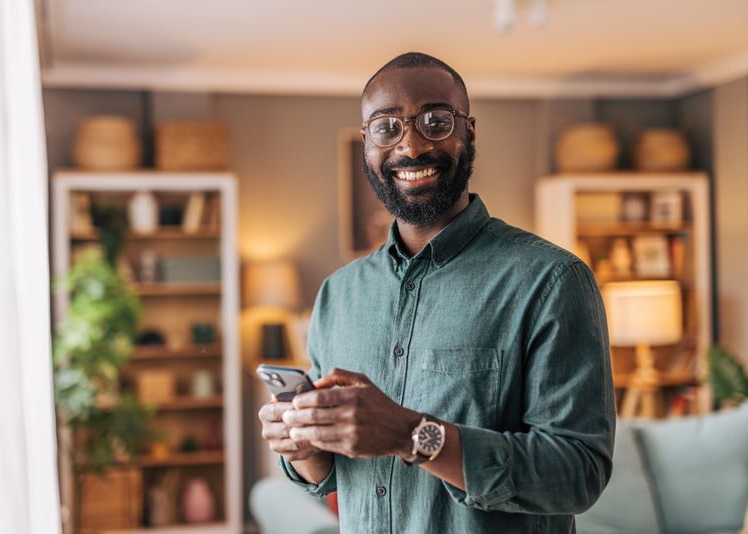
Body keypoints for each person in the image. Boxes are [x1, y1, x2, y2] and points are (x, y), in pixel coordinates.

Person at [258, 52, 615, 533]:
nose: (411, 146)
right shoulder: (337, 295)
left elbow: (578, 475)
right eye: (387, 127)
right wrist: (304, 450)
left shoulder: (550, 280)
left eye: (434, 121)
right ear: (367, 144)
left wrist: (412, 435)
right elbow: (333, 476)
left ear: (468, 132)